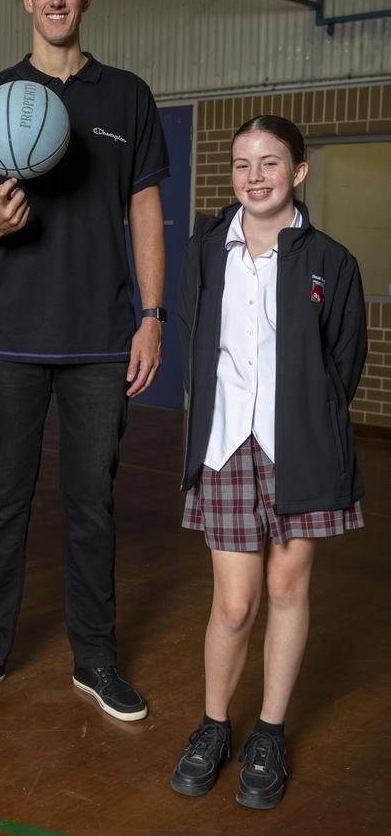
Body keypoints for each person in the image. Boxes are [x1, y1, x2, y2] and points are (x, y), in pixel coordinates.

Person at [0, 0, 168, 722]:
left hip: (102, 337)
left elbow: (144, 212)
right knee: (2, 499)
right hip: (6, 336)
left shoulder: (127, 96)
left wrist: (153, 316)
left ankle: (95, 659)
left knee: (91, 503)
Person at [172, 115, 367, 809]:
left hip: (301, 452)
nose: (254, 177)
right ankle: (214, 725)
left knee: (288, 593)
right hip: (227, 446)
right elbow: (193, 339)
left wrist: (304, 418)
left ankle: (271, 733)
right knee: (233, 606)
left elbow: (343, 362)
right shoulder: (202, 250)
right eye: (241, 164)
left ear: (299, 172)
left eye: (270, 163)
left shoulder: (332, 261)